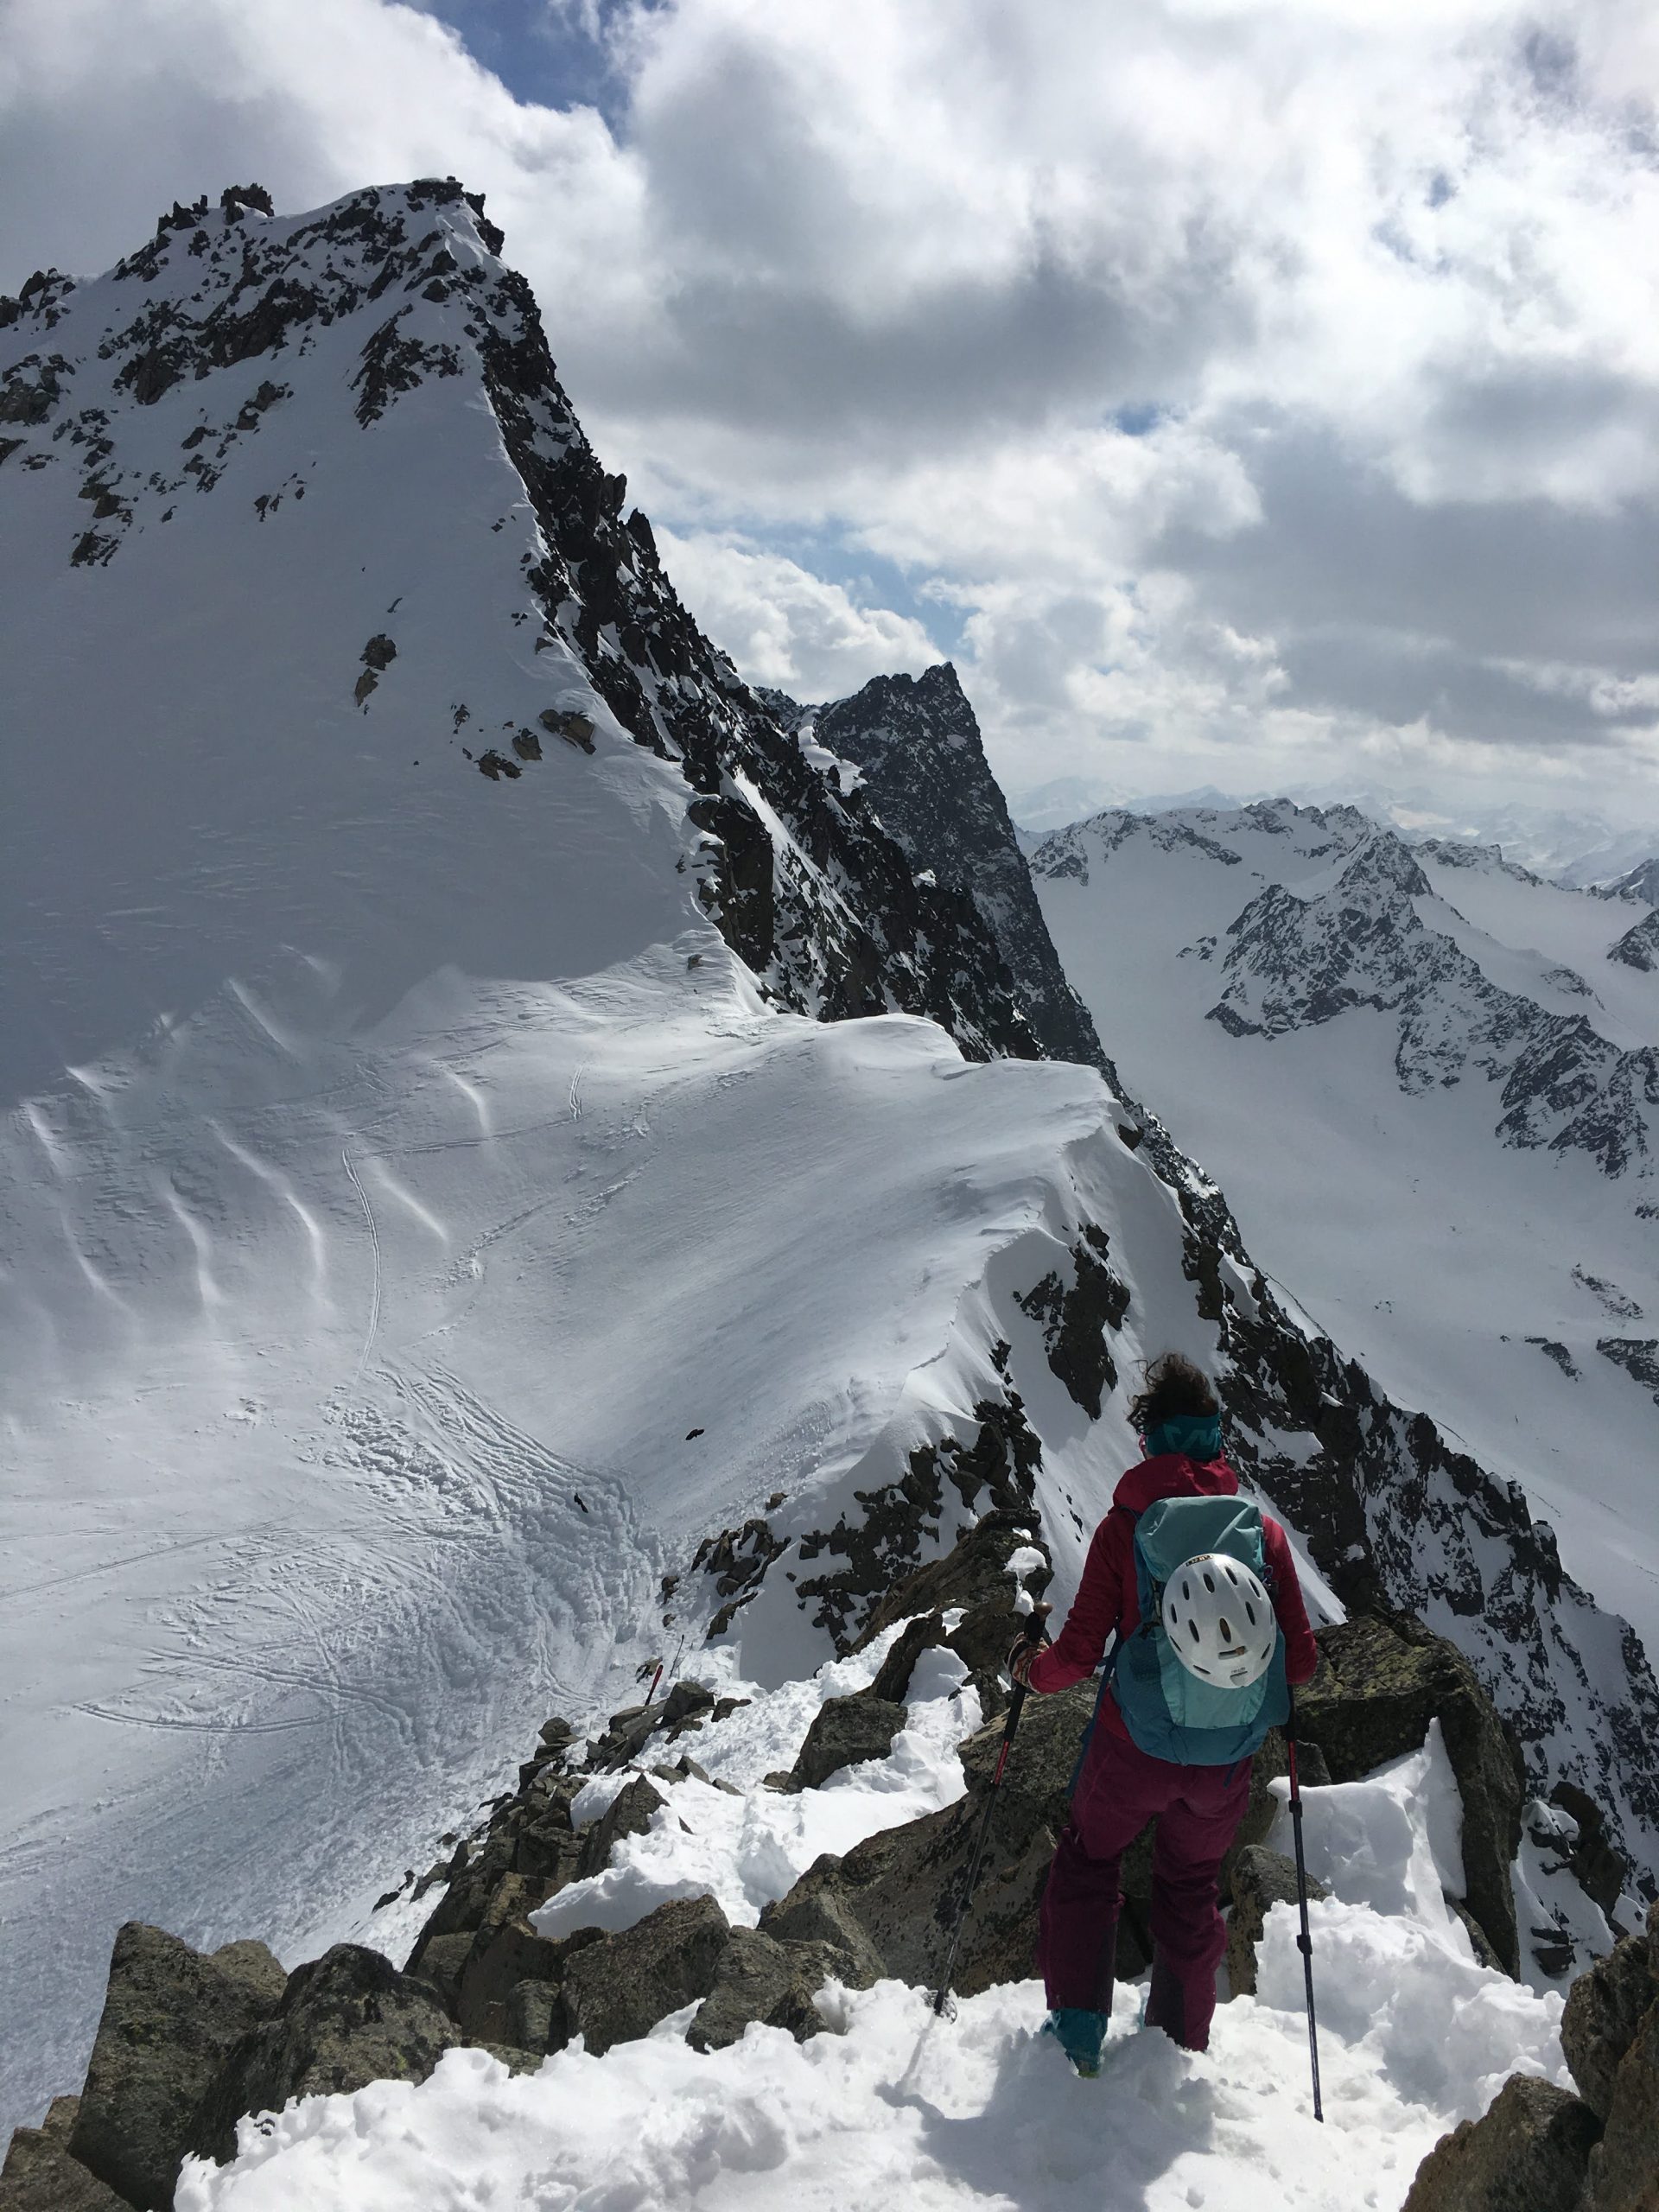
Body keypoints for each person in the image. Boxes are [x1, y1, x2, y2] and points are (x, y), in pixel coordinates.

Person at [1011, 1351, 1319, 2075]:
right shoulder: (1261, 1533)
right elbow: (1300, 1662)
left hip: (1132, 1750)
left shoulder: (1125, 1529)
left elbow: (1079, 1654)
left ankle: (1077, 2038)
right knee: (1189, 1888)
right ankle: (1179, 2044)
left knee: (1088, 1863)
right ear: (1216, 1440)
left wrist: (1026, 1670)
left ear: (1149, 1440)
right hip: (1225, 1760)